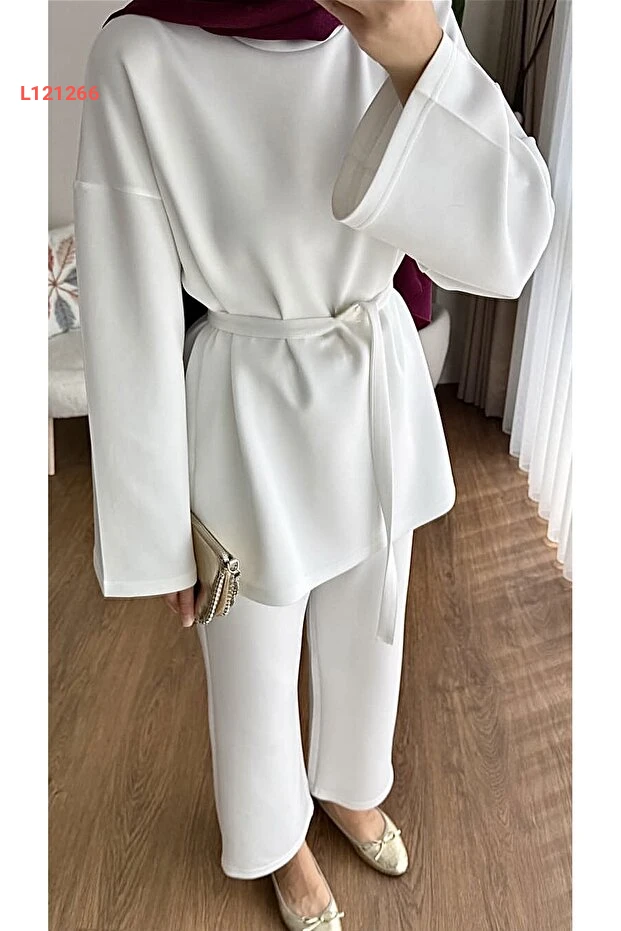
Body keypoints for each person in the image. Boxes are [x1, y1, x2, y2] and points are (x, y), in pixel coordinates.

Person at [72, 1, 555, 927]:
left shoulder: (403, 12)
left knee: (373, 624)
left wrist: (421, 59)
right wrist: (155, 530)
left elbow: (505, 249)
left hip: (371, 374)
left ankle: (350, 785)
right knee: (249, 656)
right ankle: (275, 838)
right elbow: (127, 299)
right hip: (245, 391)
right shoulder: (137, 49)